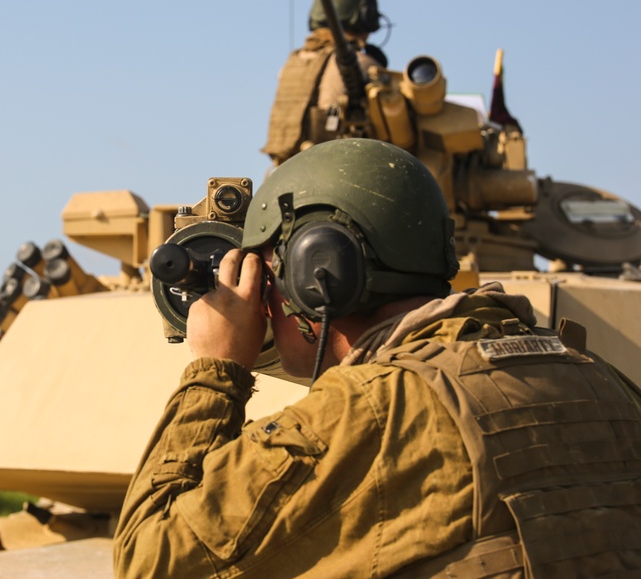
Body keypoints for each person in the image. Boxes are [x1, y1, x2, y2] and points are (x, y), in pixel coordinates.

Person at [113, 138, 641, 578]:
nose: (264, 300)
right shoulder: (598, 375)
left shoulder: (371, 410)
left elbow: (149, 560)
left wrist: (217, 371)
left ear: (318, 273)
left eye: (269, 273)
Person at [262, 0, 386, 167]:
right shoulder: (364, 63)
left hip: (283, 174)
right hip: (334, 173)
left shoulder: (294, 62)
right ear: (365, 14)